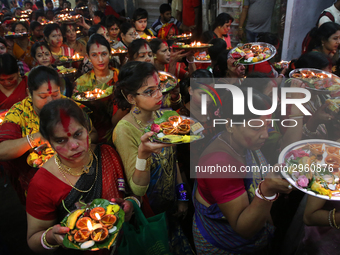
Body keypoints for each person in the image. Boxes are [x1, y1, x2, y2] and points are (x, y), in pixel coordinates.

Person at [26, 98, 135, 254]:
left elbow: (132, 194)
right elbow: (33, 240)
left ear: (87, 128)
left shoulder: (107, 153)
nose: (73, 145)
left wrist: (130, 204)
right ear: (48, 142)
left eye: (78, 134)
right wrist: (50, 237)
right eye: (61, 140)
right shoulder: (42, 184)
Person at [193, 88, 293, 254]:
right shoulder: (219, 165)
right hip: (224, 244)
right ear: (231, 125)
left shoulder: (241, 143)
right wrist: (267, 190)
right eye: (256, 128)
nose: (265, 135)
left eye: (267, 126)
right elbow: (243, 228)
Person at [112, 61, 193, 255]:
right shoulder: (124, 131)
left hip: (171, 207)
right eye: (149, 92)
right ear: (131, 98)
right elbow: (138, 188)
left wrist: (182, 196)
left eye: (158, 88)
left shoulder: (162, 115)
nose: (159, 95)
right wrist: (143, 153)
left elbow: (172, 162)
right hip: (148, 213)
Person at [0, 66, 88, 204]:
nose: (51, 102)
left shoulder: (67, 105)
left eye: (55, 95)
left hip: (75, 175)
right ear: (29, 93)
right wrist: (39, 137)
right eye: (43, 97)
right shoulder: (19, 113)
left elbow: (92, 133)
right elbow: (2, 150)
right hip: (38, 183)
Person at [75, 34, 121, 140]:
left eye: (104, 54)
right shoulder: (81, 83)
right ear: (88, 56)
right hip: (93, 134)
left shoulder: (119, 77)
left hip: (120, 130)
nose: (100, 60)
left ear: (110, 53)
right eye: (94, 55)